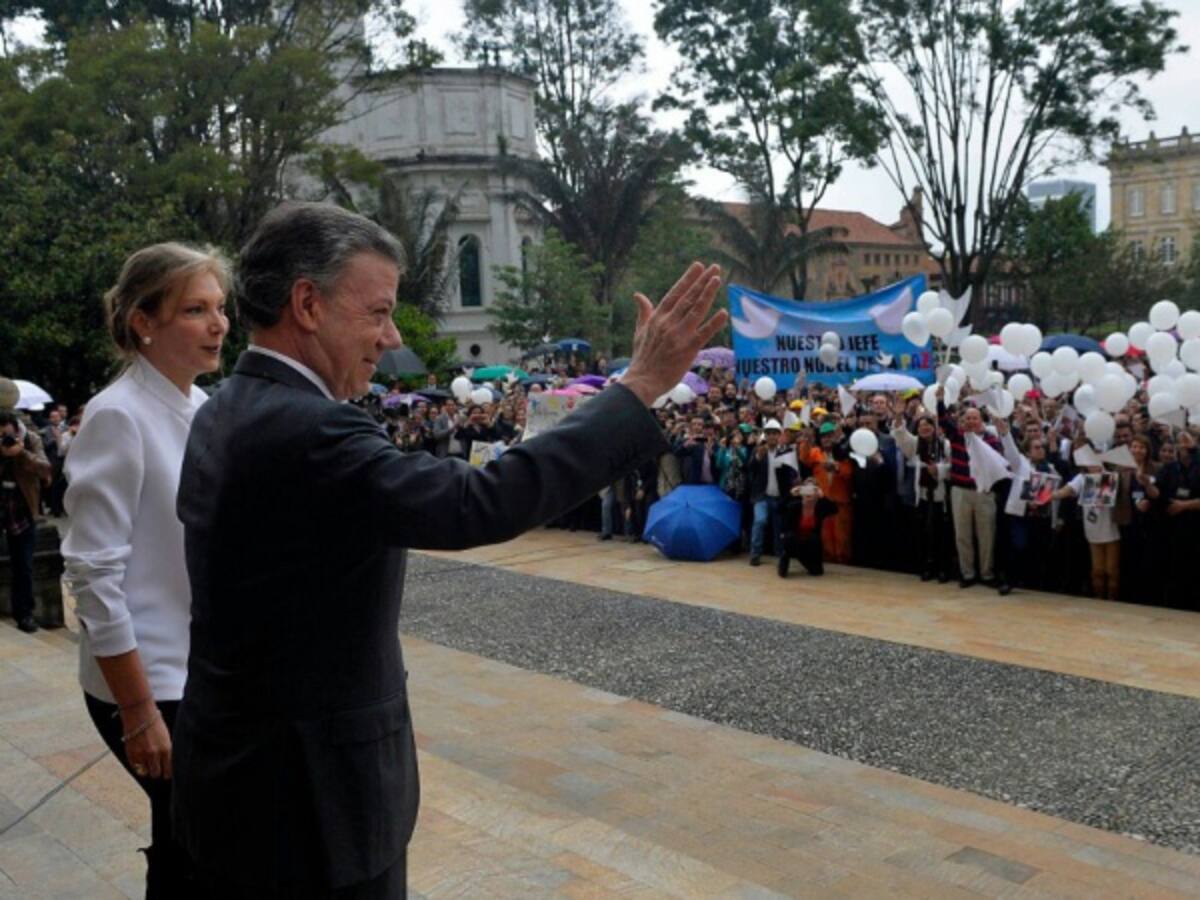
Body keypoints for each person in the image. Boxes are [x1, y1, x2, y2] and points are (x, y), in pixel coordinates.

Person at [170, 202, 726, 898]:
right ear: (307, 304)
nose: (390, 336)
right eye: (377, 312)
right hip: (311, 811)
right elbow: (477, 503)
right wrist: (639, 386)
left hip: (236, 785)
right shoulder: (310, 430)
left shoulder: (223, 407)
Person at [60, 242, 231, 897]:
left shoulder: (202, 406)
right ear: (144, 321)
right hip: (144, 676)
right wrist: (136, 709)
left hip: (198, 670)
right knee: (197, 843)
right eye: (195, 309)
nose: (218, 324)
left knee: (194, 841)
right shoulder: (117, 415)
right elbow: (93, 575)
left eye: (219, 308)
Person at [0, 409, 51, 633]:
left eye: (7, 435)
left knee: (24, 565)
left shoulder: (31, 439)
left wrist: (21, 454)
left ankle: (25, 614)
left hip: (22, 509)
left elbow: (45, 469)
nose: (5, 439)